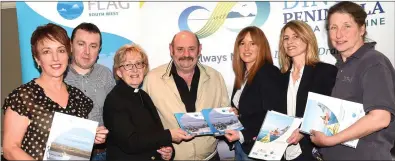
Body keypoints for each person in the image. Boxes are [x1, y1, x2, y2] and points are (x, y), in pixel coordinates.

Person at [2, 23, 107, 160]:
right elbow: (10, 149)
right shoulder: (24, 96)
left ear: (68, 54)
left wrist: (89, 138)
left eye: (61, 50)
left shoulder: (78, 97)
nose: (55, 58)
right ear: (37, 59)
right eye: (47, 52)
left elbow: (72, 146)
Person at [310, 1, 395, 160]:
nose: (339, 34)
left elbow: (381, 118)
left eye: (346, 26)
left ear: (362, 29)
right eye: (333, 27)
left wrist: (330, 140)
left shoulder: (373, 62)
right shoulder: (339, 67)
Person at [143, 31, 230, 160]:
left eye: (191, 49)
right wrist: (161, 144)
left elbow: (225, 120)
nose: (186, 54)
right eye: (180, 49)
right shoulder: (152, 79)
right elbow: (145, 124)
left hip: (210, 158)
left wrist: (229, 118)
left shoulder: (215, 77)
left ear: (199, 50)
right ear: (171, 49)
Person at [103, 43, 192, 160]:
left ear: (144, 68)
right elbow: (131, 143)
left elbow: (156, 132)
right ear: (119, 72)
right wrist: (169, 136)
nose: (135, 69)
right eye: (128, 65)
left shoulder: (143, 95)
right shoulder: (115, 100)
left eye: (139, 64)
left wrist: (168, 150)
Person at [277, 20, 337, 160]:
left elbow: (328, 111)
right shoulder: (280, 77)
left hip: (312, 150)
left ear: (307, 38)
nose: (290, 41)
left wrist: (303, 130)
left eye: (296, 36)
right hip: (284, 150)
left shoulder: (325, 71)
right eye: (286, 38)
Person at [224, 26, 285, 160]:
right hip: (242, 146)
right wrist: (236, 112)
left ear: (261, 47)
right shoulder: (242, 74)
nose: (246, 49)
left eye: (252, 44)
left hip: (258, 150)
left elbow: (273, 116)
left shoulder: (268, 72)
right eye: (242, 43)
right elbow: (250, 109)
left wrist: (243, 135)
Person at [64, 22, 115, 160]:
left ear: (99, 49)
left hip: (106, 153)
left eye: (93, 46)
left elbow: (116, 112)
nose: (87, 51)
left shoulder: (106, 74)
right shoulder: (58, 76)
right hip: (71, 154)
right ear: (71, 45)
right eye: (81, 44)